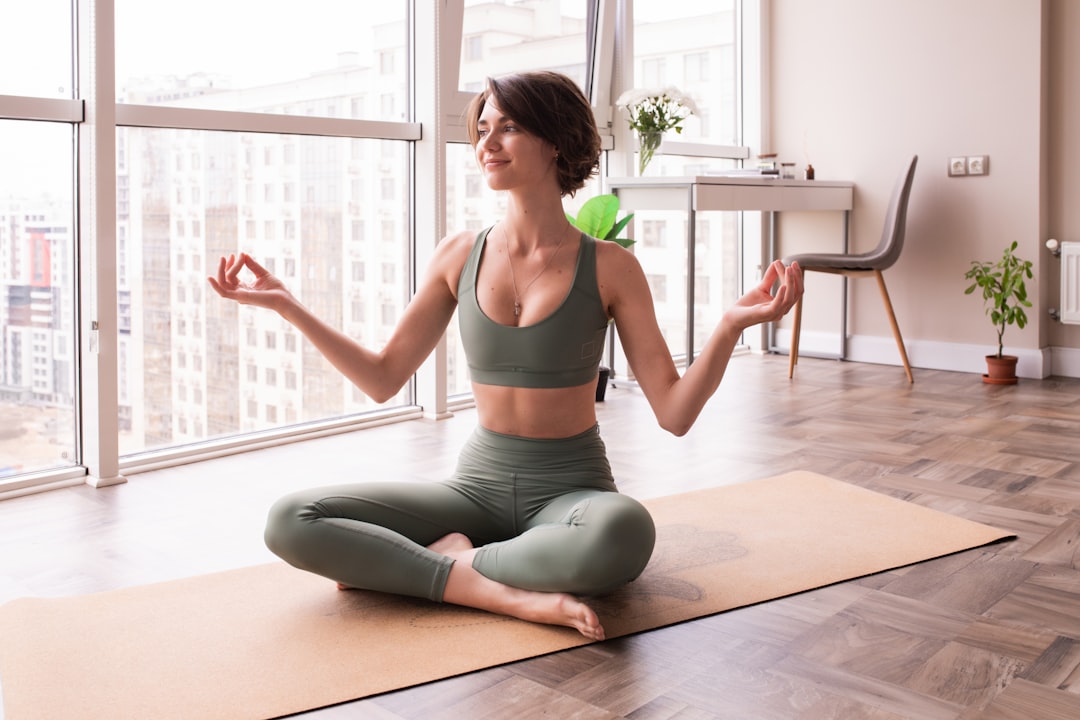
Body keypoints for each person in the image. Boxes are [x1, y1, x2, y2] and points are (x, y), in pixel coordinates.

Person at [208, 70, 802, 641]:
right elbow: (383, 378)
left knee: (624, 531)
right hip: (474, 489)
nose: (486, 144)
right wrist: (287, 305)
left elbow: (674, 413)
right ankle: (495, 589)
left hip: (571, 493)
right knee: (291, 519)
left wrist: (730, 326)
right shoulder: (458, 254)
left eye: (509, 127)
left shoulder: (611, 267)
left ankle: (435, 565)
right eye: (482, 129)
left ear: (556, 142)